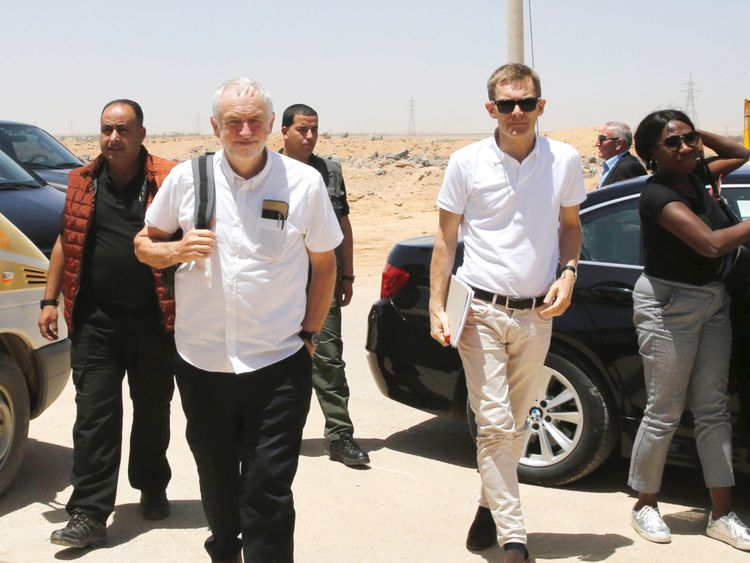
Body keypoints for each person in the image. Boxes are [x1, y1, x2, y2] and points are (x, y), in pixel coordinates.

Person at [134, 78, 342, 563]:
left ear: (271, 125)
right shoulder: (187, 179)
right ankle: (224, 548)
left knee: (268, 488)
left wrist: (310, 335)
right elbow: (144, 243)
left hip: (278, 364)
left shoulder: (302, 183)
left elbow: (325, 264)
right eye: (233, 121)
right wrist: (173, 250)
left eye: (254, 121)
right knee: (218, 480)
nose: (244, 130)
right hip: (202, 363)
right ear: (215, 126)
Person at [428, 63, 586, 563]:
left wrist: (570, 271)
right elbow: (446, 238)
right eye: (505, 104)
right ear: (490, 108)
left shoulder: (564, 160)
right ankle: (514, 538)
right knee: (495, 422)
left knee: (515, 422)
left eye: (525, 103)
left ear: (541, 106)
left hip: (537, 313)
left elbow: (570, 224)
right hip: (479, 308)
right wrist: (436, 305)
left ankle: (487, 504)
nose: (515, 113)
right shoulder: (466, 162)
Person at [39, 99, 177, 549]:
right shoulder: (81, 181)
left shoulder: (168, 179)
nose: (113, 138)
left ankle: (152, 486)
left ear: (141, 134)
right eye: (106, 129)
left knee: (153, 410)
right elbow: (66, 239)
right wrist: (48, 299)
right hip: (96, 321)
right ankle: (89, 512)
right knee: (95, 416)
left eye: (123, 129)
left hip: (156, 321)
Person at [628, 109, 750, 551]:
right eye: (672, 143)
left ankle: (721, 514)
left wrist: (696, 134)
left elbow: (741, 152)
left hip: (712, 299)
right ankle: (645, 503)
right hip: (669, 305)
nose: (685, 148)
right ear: (650, 156)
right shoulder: (658, 195)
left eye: (689, 139)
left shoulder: (695, 174)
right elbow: (710, 242)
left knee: (713, 409)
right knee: (664, 410)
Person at [280, 103, 369, 467]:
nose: (310, 136)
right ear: (284, 131)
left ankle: (340, 436)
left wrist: (346, 274)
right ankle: (281, 436)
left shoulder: (330, 172)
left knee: (328, 358)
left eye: (314, 129)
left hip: (322, 281)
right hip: (280, 283)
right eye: (302, 129)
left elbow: (342, 225)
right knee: (277, 362)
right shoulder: (270, 172)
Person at [596, 121, 647, 188]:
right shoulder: (613, 167)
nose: (597, 144)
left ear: (619, 144)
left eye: (602, 139)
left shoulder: (628, 167)